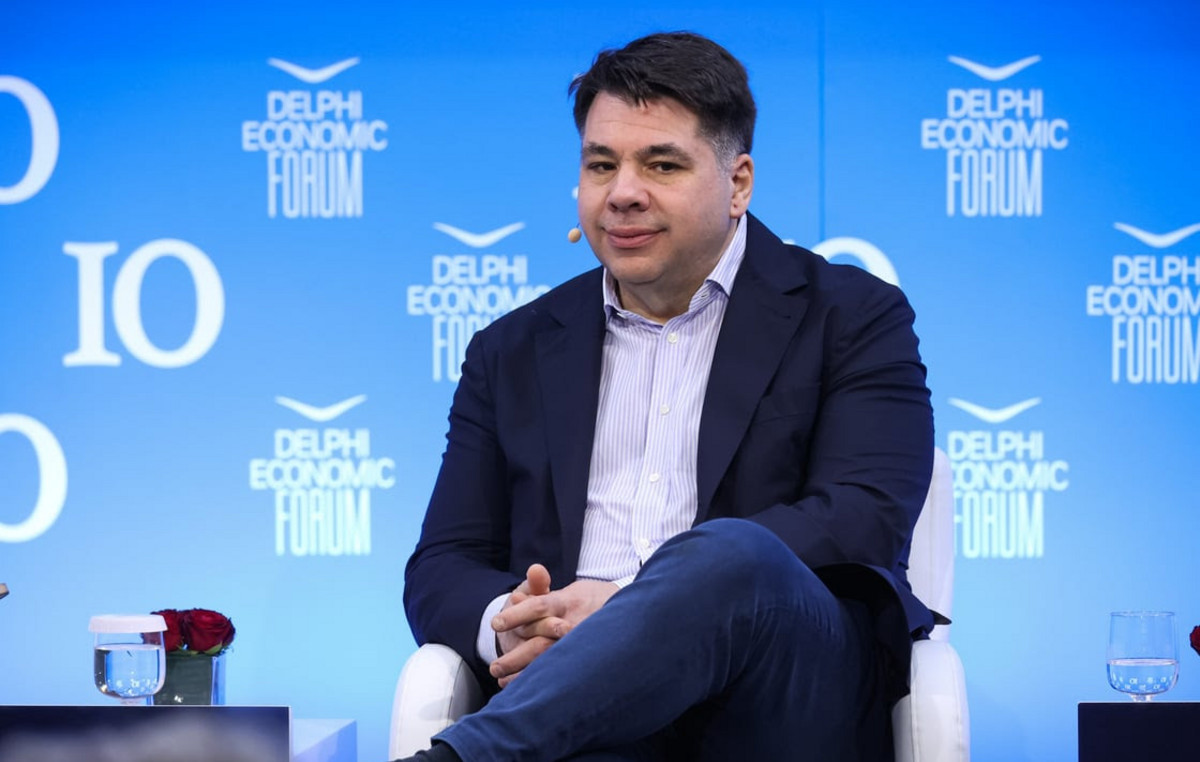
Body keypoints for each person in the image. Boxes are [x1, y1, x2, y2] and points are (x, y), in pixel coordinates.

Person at [400, 30, 936, 762]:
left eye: (661, 164)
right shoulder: (511, 350)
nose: (622, 193)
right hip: (576, 712)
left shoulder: (850, 316)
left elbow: (864, 517)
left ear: (738, 183)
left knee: (733, 553)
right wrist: (517, 621)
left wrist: (627, 610)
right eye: (601, 165)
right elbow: (444, 562)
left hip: (777, 700)